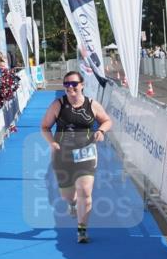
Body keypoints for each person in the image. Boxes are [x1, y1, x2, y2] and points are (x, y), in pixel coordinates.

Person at [40, 71, 113, 244]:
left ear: (82, 85)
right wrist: (52, 142)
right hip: (62, 154)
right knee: (68, 196)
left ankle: (82, 230)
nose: (70, 88)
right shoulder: (58, 104)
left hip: (86, 152)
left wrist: (101, 131)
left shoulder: (92, 105)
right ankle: (72, 204)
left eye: (74, 84)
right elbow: (44, 127)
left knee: (85, 191)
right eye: (66, 84)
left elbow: (107, 121)